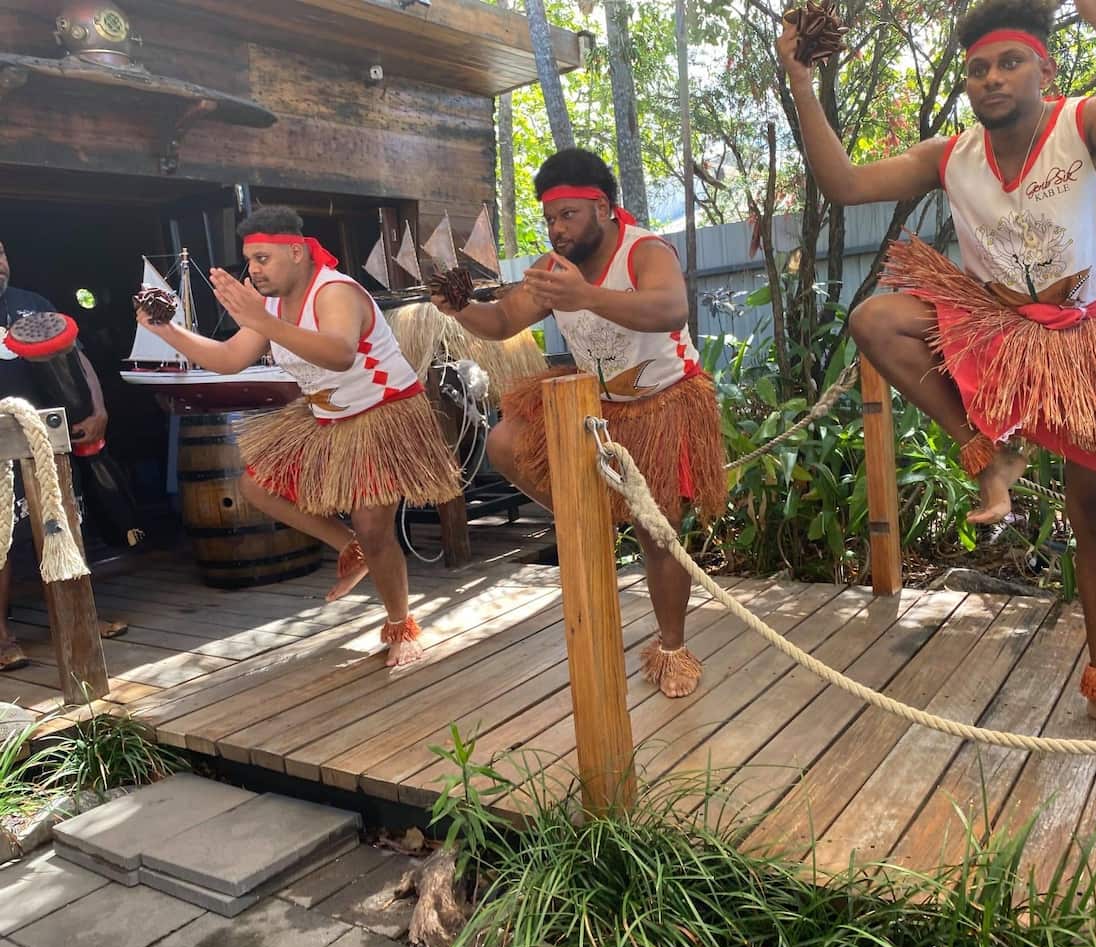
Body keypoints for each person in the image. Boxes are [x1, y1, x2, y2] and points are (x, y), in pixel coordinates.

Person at [779, 0, 1096, 737]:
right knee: (877, 317)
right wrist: (802, 84)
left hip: (1093, 345)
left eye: (1009, 63)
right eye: (978, 69)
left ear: (1044, 68)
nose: (991, 78)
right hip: (996, 336)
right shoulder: (951, 155)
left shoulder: (1086, 123)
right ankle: (991, 446)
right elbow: (844, 186)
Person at [434, 149, 726, 698]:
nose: (556, 228)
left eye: (567, 215)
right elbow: (500, 321)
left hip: (663, 403)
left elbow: (670, 308)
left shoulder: (645, 250)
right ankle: (590, 513)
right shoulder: (550, 270)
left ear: (603, 209)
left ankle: (672, 646)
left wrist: (585, 295)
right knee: (504, 441)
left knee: (657, 534)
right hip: (598, 407)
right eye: (549, 218)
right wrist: (458, 308)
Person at [135, 206, 462, 667]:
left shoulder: (335, 291)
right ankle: (349, 547)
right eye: (249, 261)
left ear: (295, 251)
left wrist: (263, 322)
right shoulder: (268, 306)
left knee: (374, 527)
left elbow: (340, 353)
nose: (253, 270)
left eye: (263, 259)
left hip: (383, 413)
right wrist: (164, 330)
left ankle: (400, 624)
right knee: (255, 486)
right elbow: (230, 358)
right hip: (325, 417)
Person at [0, 240, 127, 671]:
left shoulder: (32, 305)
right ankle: (0, 636)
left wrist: (99, 410)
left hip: (47, 439)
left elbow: (77, 359)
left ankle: (77, 617)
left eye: (0, 253)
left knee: (64, 527)